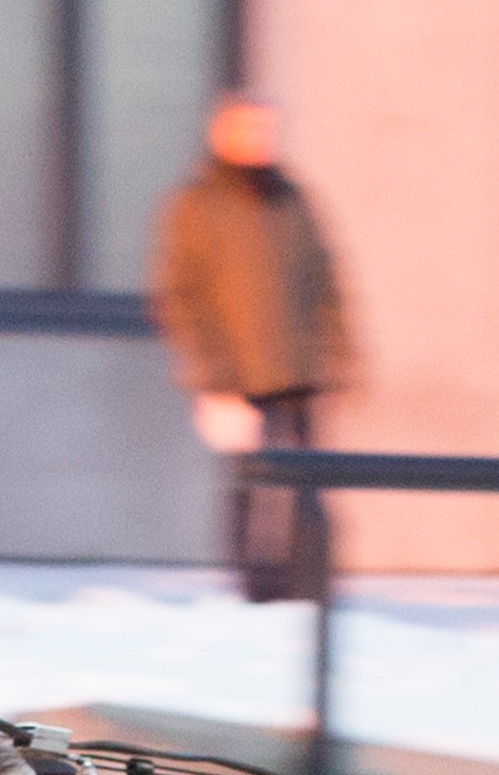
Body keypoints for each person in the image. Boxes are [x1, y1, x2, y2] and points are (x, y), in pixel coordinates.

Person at [148, 86, 355, 604]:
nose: (260, 138)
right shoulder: (196, 204)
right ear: (221, 134)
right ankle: (256, 594)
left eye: (266, 129)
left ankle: (310, 590)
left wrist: (338, 353)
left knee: (309, 486)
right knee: (251, 488)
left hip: (299, 369)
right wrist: (209, 374)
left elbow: (325, 278)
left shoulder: (293, 199)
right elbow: (179, 294)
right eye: (248, 128)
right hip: (236, 375)